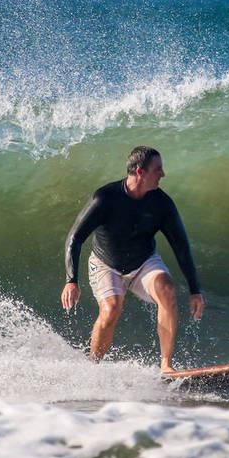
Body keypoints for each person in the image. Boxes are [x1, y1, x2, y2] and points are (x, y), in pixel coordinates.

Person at [61, 146, 204, 373]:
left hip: (143, 262)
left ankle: (166, 365)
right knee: (111, 309)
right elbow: (74, 238)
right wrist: (71, 279)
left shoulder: (162, 204)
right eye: (158, 169)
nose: (163, 174)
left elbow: (181, 246)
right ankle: (93, 368)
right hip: (105, 263)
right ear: (140, 172)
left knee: (167, 289)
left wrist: (195, 290)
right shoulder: (105, 198)